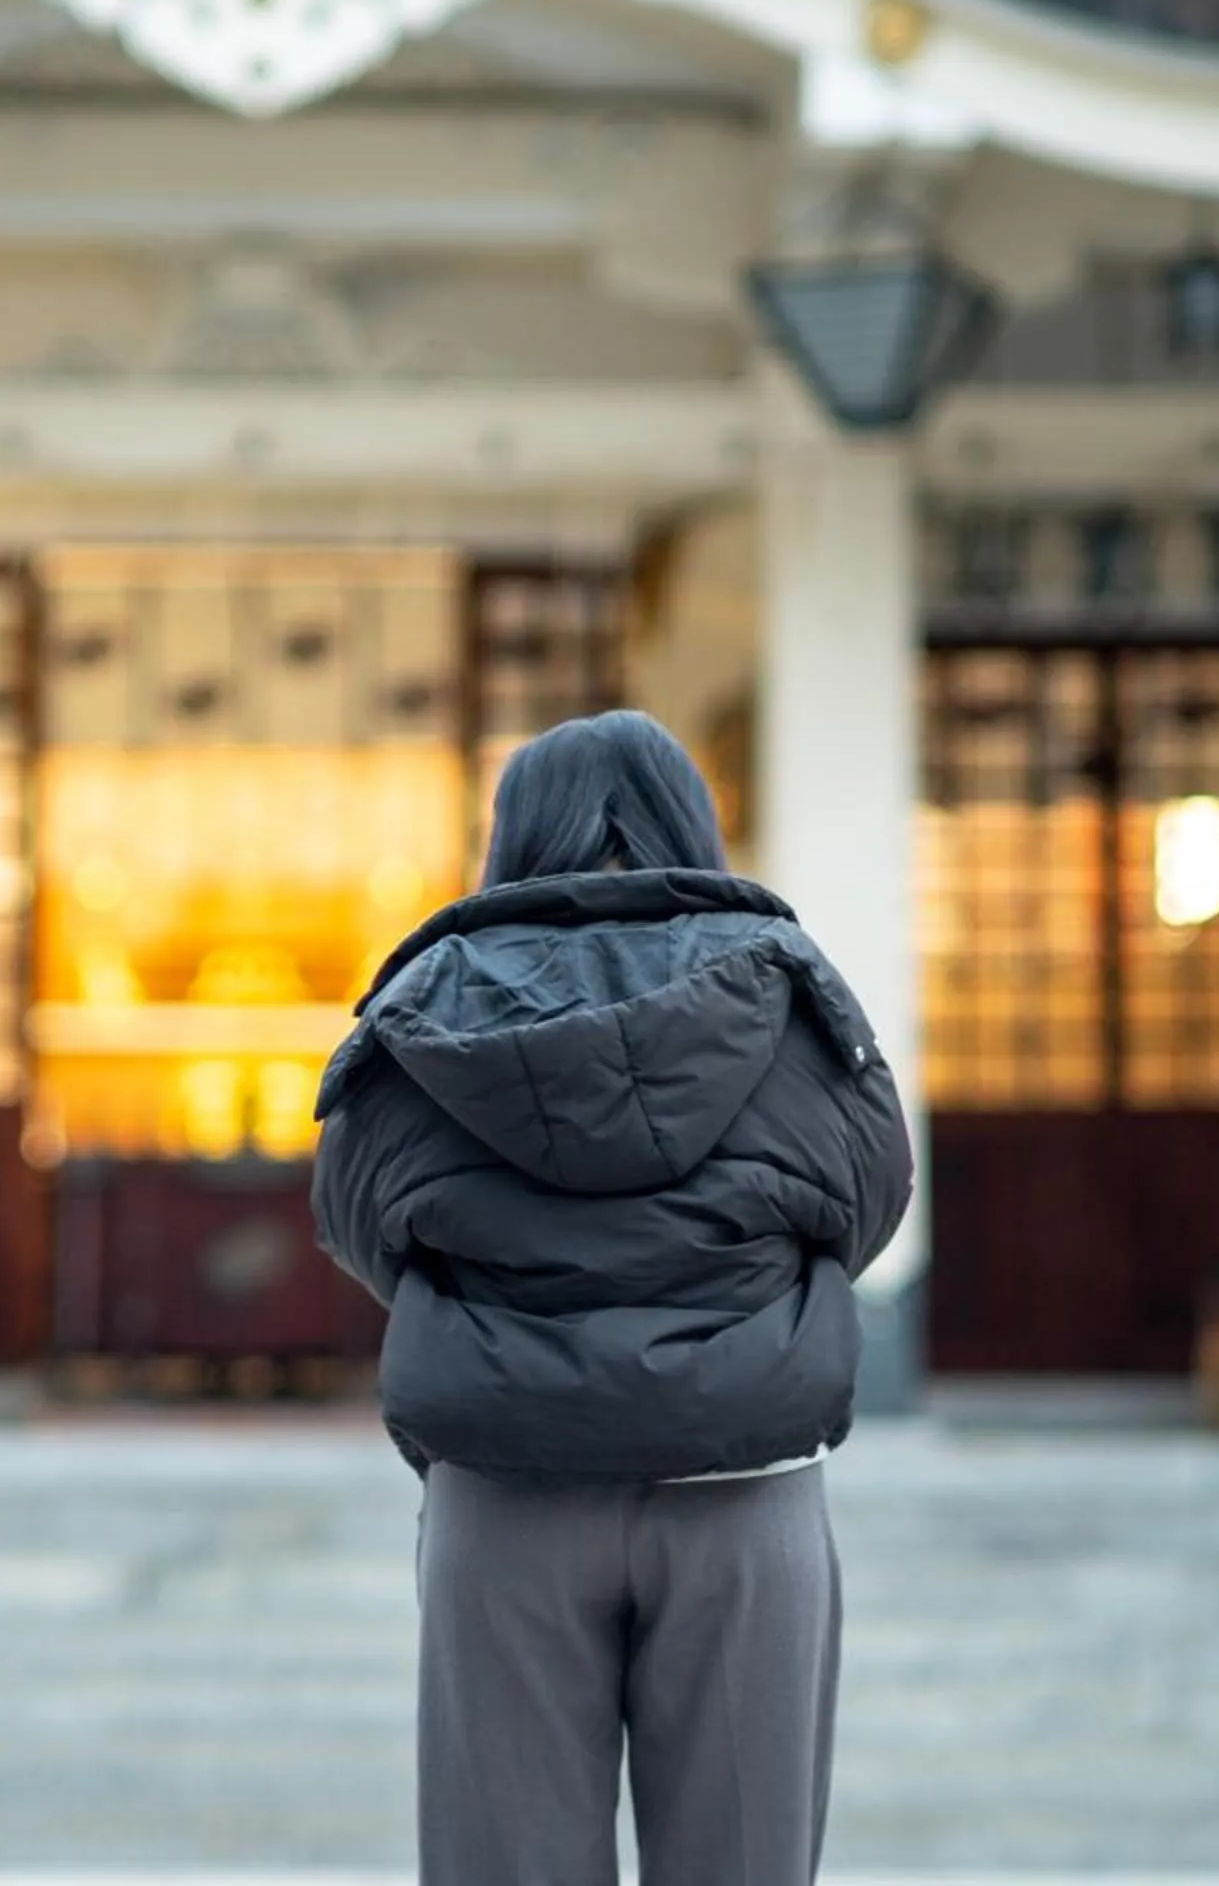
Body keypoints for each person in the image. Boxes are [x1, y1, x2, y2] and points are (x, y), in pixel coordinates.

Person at [311, 709, 914, 1886]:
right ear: (693, 823)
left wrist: (490, 1290)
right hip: (744, 1491)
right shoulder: (788, 991)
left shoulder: (427, 1000)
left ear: (513, 833)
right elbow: (872, 1195)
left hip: (505, 1487)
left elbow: (352, 1212)